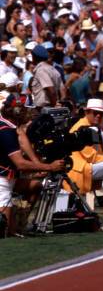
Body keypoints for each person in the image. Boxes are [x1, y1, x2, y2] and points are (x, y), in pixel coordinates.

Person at [0, 93, 64, 236]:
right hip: (2, 181)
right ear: (16, 111)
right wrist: (49, 167)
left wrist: (37, 164)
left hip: (8, 179)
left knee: (35, 186)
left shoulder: (8, 124)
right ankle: (12, 222)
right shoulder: (5, 131)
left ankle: (20, 221)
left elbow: (21, 136)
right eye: (24, 109)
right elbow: (20, 164)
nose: (28, 112)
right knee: (6, 231)